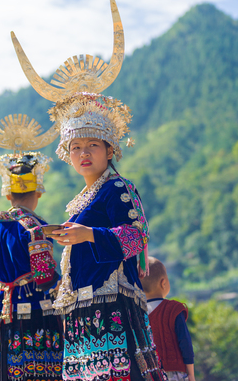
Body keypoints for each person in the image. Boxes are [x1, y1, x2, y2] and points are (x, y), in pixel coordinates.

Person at [48, 92, 167, 381]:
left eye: (92, 145)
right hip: (84, 306)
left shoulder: (117, 188)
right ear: (68, 154)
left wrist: (89, 234)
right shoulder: (84, 199)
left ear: (109, 150)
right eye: (76, 147)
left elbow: (136, 237)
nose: (84, 153)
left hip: (111, 302)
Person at [0, 77, 63, 381]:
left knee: (7, 371)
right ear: (39, 192)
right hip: (33, 308)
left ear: (7, 194)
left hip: (3, 308)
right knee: (38, 370)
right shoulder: (36, 229)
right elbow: (45, 276)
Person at [140, 257, 195, 381]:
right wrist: (191, 374)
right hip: (175, 373)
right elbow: (185, 344)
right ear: (163, 283)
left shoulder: (136, 314)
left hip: (148, 374)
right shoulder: (173, 309)